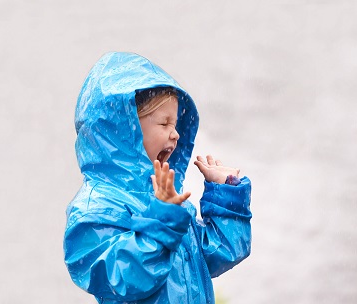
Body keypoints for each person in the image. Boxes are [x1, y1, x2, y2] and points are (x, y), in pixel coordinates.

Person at [64, 52, 252, 303]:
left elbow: (216, 255)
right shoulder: (96, 207)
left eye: (176, 125)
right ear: (123, 130)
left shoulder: (169, 201)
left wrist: (226, 198)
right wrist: (162, 218)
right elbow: (125, 279)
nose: (175, 134)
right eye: (164, 124)